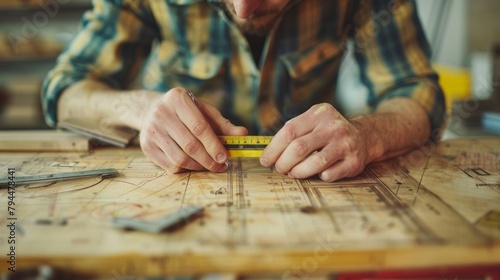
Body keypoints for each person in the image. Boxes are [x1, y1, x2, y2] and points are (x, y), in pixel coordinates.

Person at [42, 0, 445, 182]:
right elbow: (63, 91)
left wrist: (368, 135)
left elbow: (416, 91)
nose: (242, 8)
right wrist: (141, 109)